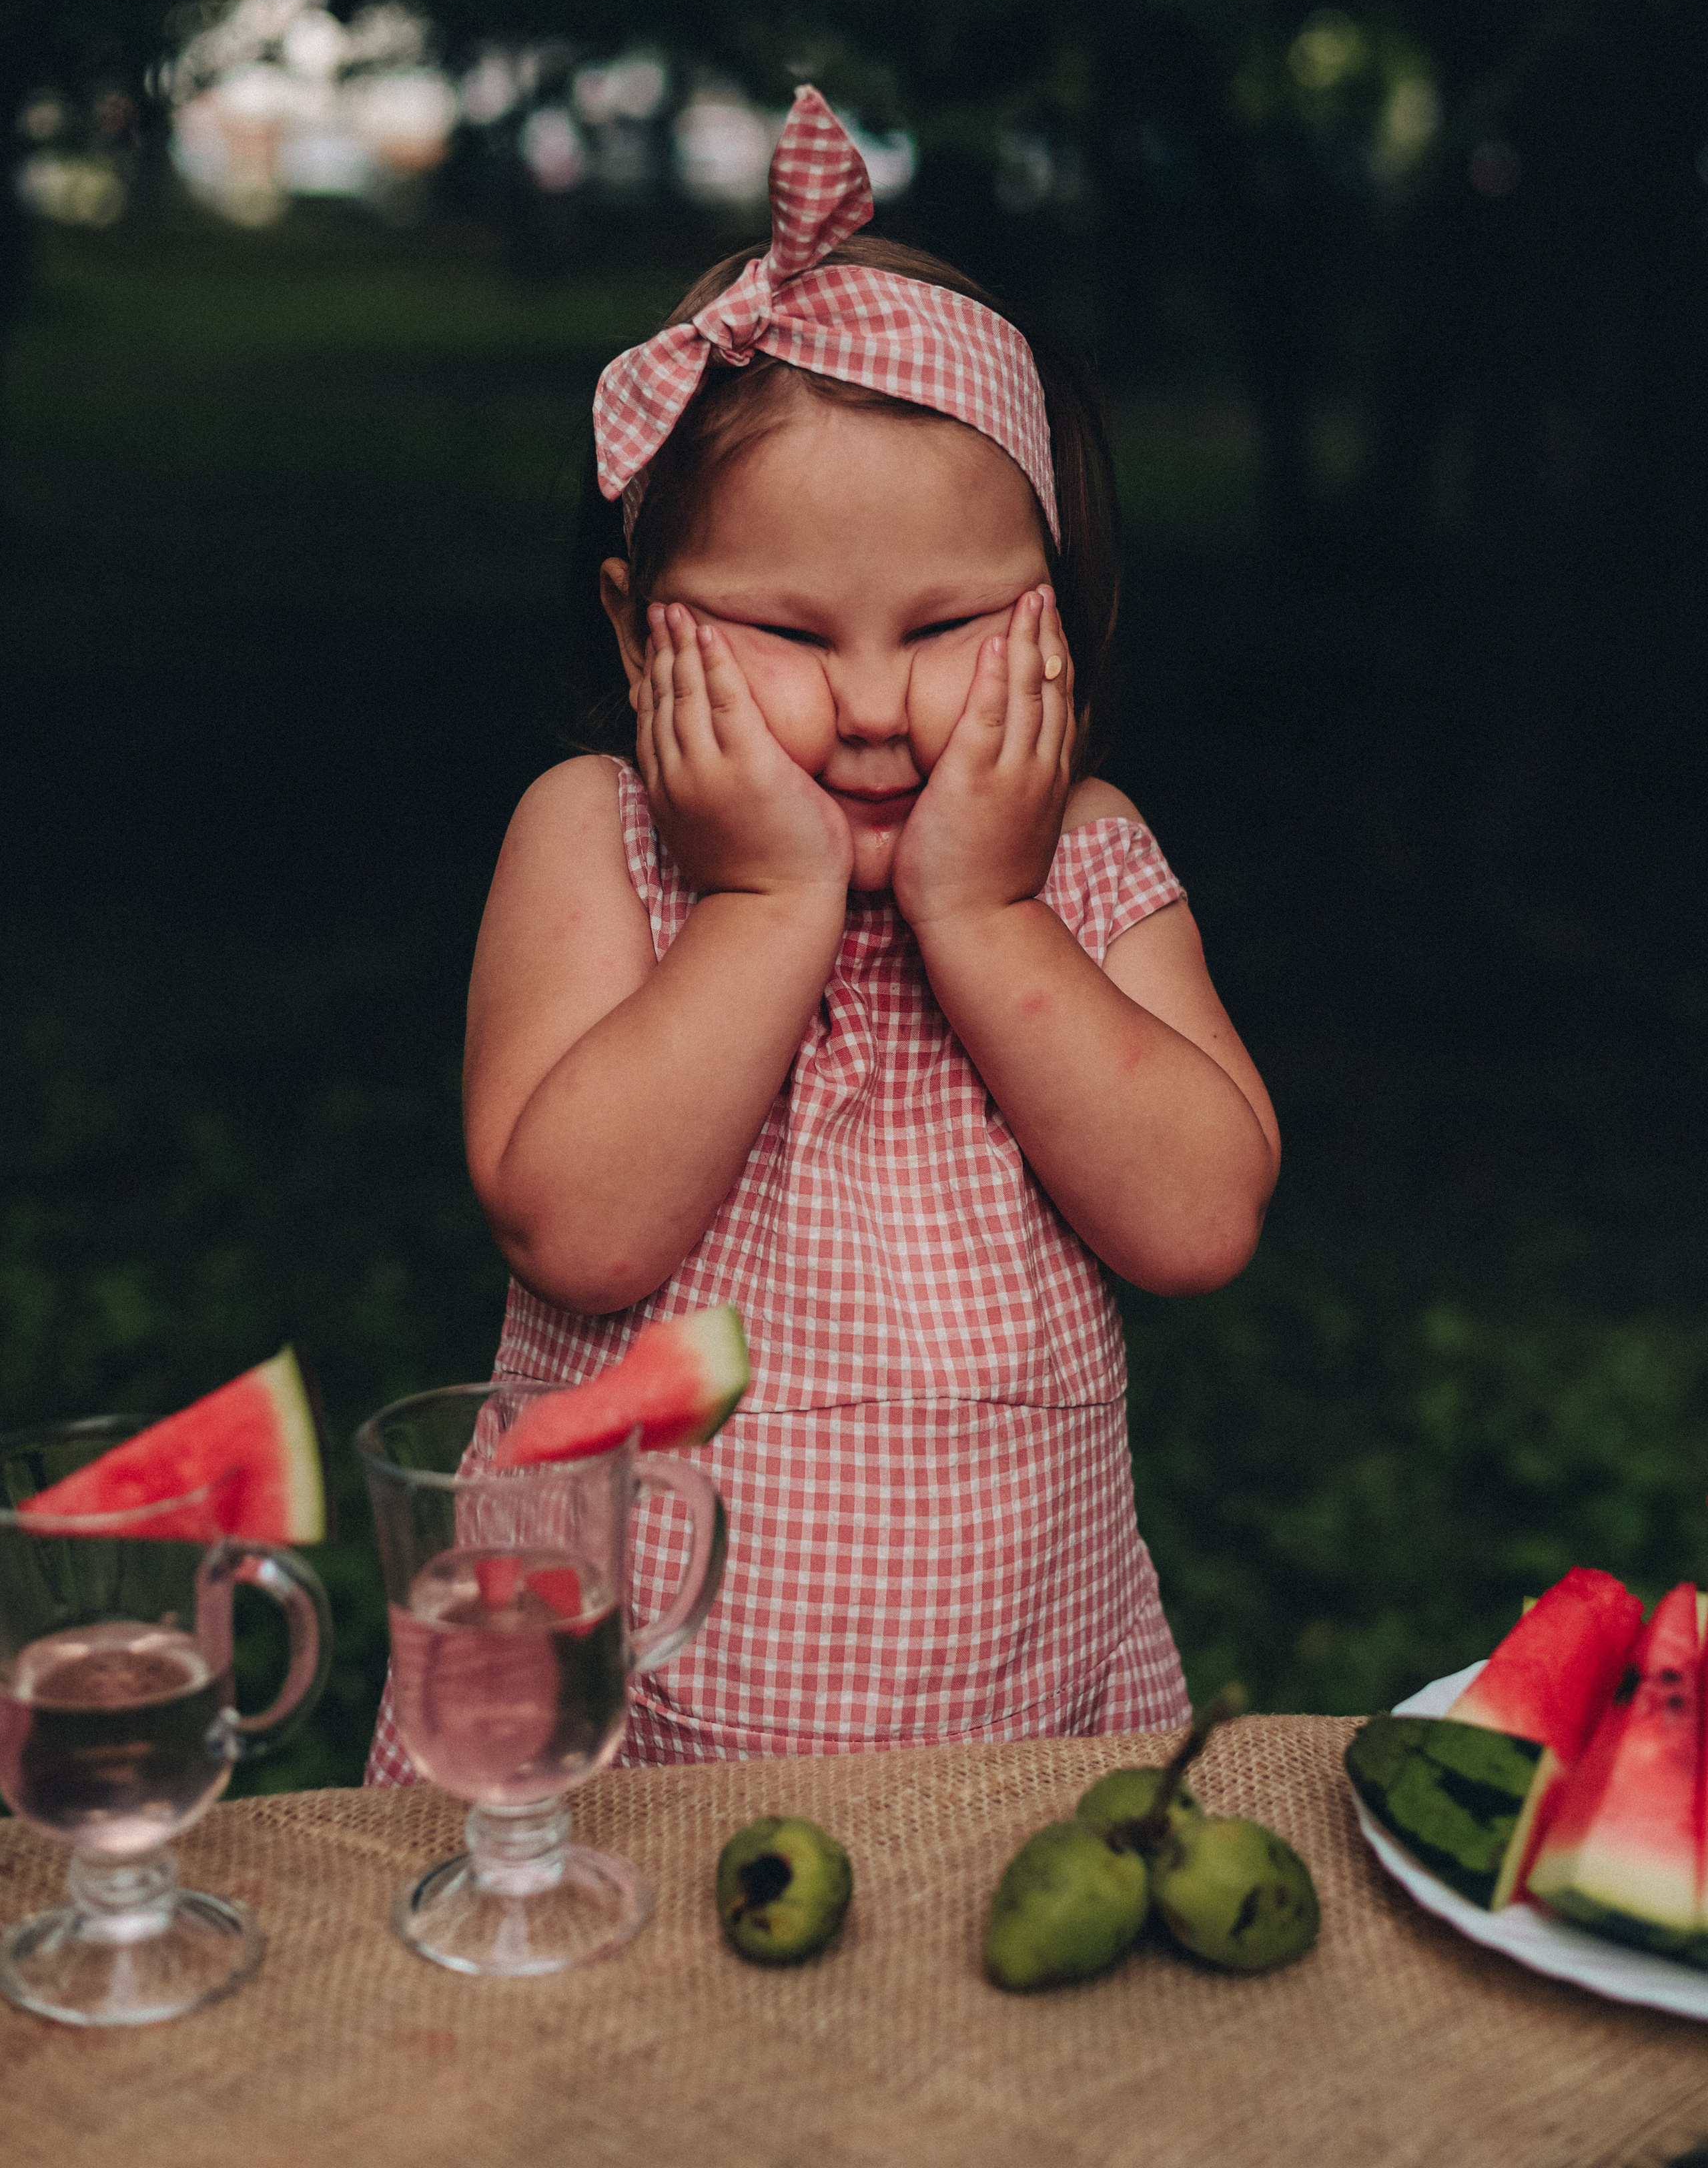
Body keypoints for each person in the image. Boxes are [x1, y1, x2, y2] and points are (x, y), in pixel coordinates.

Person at [366, 88, 1278, 1779]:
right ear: (641, 637)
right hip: (621, 1723)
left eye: (942, 627)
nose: (869, 708)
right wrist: (767, 902)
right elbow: (575, 1228)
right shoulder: (597, 838)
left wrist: (985, 909)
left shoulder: (1080, 860)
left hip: (1017, 1716)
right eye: (785, 631)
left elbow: (1199, 1217)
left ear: (1055, 622)